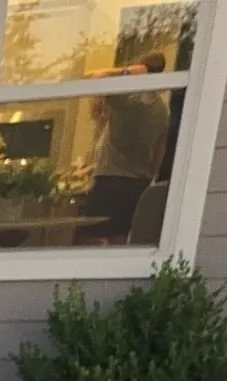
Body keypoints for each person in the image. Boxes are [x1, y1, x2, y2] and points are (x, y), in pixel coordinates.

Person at [85, 53, 170, 242]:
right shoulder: (163, 113)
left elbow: (93, 78)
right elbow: (158, 155)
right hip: (139, 186)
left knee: (89, 241)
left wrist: (126, 71)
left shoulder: (126, 102)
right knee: (121, 243)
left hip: (110, 182)